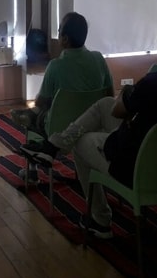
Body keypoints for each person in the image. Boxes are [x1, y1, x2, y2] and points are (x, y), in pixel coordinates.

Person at [20, 14, 157, 239]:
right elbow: (109, 97)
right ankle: (53, 145)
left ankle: (99, 219)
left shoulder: (155, 84)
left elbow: (119, 110)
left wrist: (130, 94)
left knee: (81, 141)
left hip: (131, 164)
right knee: (103, 104)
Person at [11, 12, 113, 181]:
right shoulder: (99, 59)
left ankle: (32, 171)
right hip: (95, 128)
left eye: (59, 31)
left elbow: (41, 101)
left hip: (59, 128)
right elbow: (109, 95)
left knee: (35, 117)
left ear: (64, 39)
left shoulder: (55, 66)